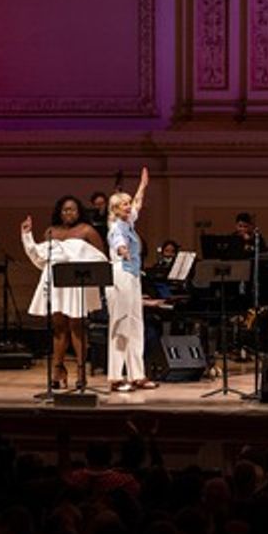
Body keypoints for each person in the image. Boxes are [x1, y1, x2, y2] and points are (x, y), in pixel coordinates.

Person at [21, 195, 108, 391]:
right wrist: (26, 235)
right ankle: (58, 370)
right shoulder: (51, 231)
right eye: (65, 210)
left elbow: (101, 258)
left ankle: (80, 371)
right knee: (59, 326)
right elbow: (40, 257)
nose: (69, 213)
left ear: (79, 212)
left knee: (77, 326)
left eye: (73, 209)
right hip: (57, 282)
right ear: (59, 212)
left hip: (77, 283)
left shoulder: (87, 230)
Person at [106, 168, 152, 392]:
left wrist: (143, 185)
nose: (129, 206)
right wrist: (123, 250)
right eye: (124, 204)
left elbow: (138, 204)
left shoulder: (129, 223)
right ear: (116, 209)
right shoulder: (116, 227)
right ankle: (116, 377)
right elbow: (118, 242)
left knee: (135, 324)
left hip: (132, 275)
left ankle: (137, 375)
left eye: (128, 203)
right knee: (121, 324)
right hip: (120, 275)